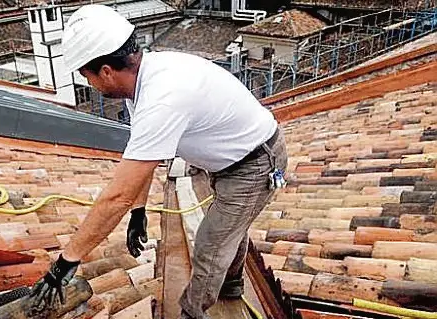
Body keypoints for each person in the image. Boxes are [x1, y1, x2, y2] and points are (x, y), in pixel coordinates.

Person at [29, 4, 288, 318]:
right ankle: (230, 284)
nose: (90, 85)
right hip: (231, 162)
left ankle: (192, 312)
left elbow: (116, 196)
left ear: (106, 72)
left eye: (88, 76)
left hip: (256, 162)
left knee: (210, 242)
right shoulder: (143, 80)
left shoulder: (162, 95)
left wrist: (66, 262)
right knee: (227, 229)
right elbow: (144, 158)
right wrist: (139, 212)